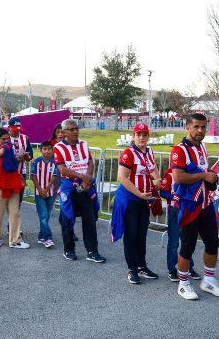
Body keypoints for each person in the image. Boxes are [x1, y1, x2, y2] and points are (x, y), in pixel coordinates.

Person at [171, 113, 219, 300]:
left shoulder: (202, 147)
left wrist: (211, 174)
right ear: (187, 127)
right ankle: (183, 284)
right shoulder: (180, 150)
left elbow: (203, 171)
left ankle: (209, 280)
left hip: (206, 203)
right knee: (188, 246)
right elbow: (178, 177)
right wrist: (204, 176)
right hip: (189, 205)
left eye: (203, 127)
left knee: (212, 242)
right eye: (196, 126)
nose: (200, 130)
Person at [112, 122, 160, 284]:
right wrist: (139, 194)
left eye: (144, 135)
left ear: (148, 136)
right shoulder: (128, 153)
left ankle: (142, 266)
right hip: (130, 199)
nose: (141, 137)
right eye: (138, 134)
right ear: (133, 136)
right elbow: (122, 177)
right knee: (131, 234)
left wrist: (158, 179)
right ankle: (132, 269)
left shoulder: (149, 151)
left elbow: (152, 168)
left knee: (141, 234)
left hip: (143, 199)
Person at [53, 119, 105, 263]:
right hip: (69, 188)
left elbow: (90, 162)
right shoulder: (58, 147)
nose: (75, 131)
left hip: (85, 187)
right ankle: (69, 249)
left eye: (76, 128)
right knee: (67, 219)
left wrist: (86, 180)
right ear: (64, 132)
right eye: (71, 129)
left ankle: (92, 251)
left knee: (89, 220)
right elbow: (62, 169)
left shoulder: (84, 144)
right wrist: (82, 177)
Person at [0, 127, 30, 249]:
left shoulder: (8, 149)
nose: (6, 141)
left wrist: (20, 156)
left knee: (15, 212)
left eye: (7, 138)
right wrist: (9, 148)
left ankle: (15, 240)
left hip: (12, 182)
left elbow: (13, 162)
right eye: (3, 139)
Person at [159, 167, 198, 282]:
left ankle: (189, 267)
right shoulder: (170, 172)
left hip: (188, 210)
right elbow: (162, 192)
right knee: (174, 242)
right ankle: (172, 269)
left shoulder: (191, 171)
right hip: (175, 211)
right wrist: (176, 197)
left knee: (187, 241)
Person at [31, 141, 57, 248]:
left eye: (49, 149)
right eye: (44, 149)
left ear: (52, 151)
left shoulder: (54, 163)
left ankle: (41, 235)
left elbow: (54, 177)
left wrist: (46, 189)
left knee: (47, 215)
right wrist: (40, 190)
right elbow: (33, 176)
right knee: (44, 215)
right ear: (41, 150)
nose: (47, 151)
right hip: (39, 193)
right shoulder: (37, 162)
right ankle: (47, 238)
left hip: (50, 193)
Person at [8, 117, 33, 208]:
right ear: (9, 128)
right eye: (15, 130)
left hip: (22, 172)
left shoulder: (25, 138)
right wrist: (14, 157)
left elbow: (30, 154)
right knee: (9, 197)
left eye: (19, 130)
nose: (17, 132)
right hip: (8, 172)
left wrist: (27, 157)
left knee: (19, 197)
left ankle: (15, 216)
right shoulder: (5, 138)